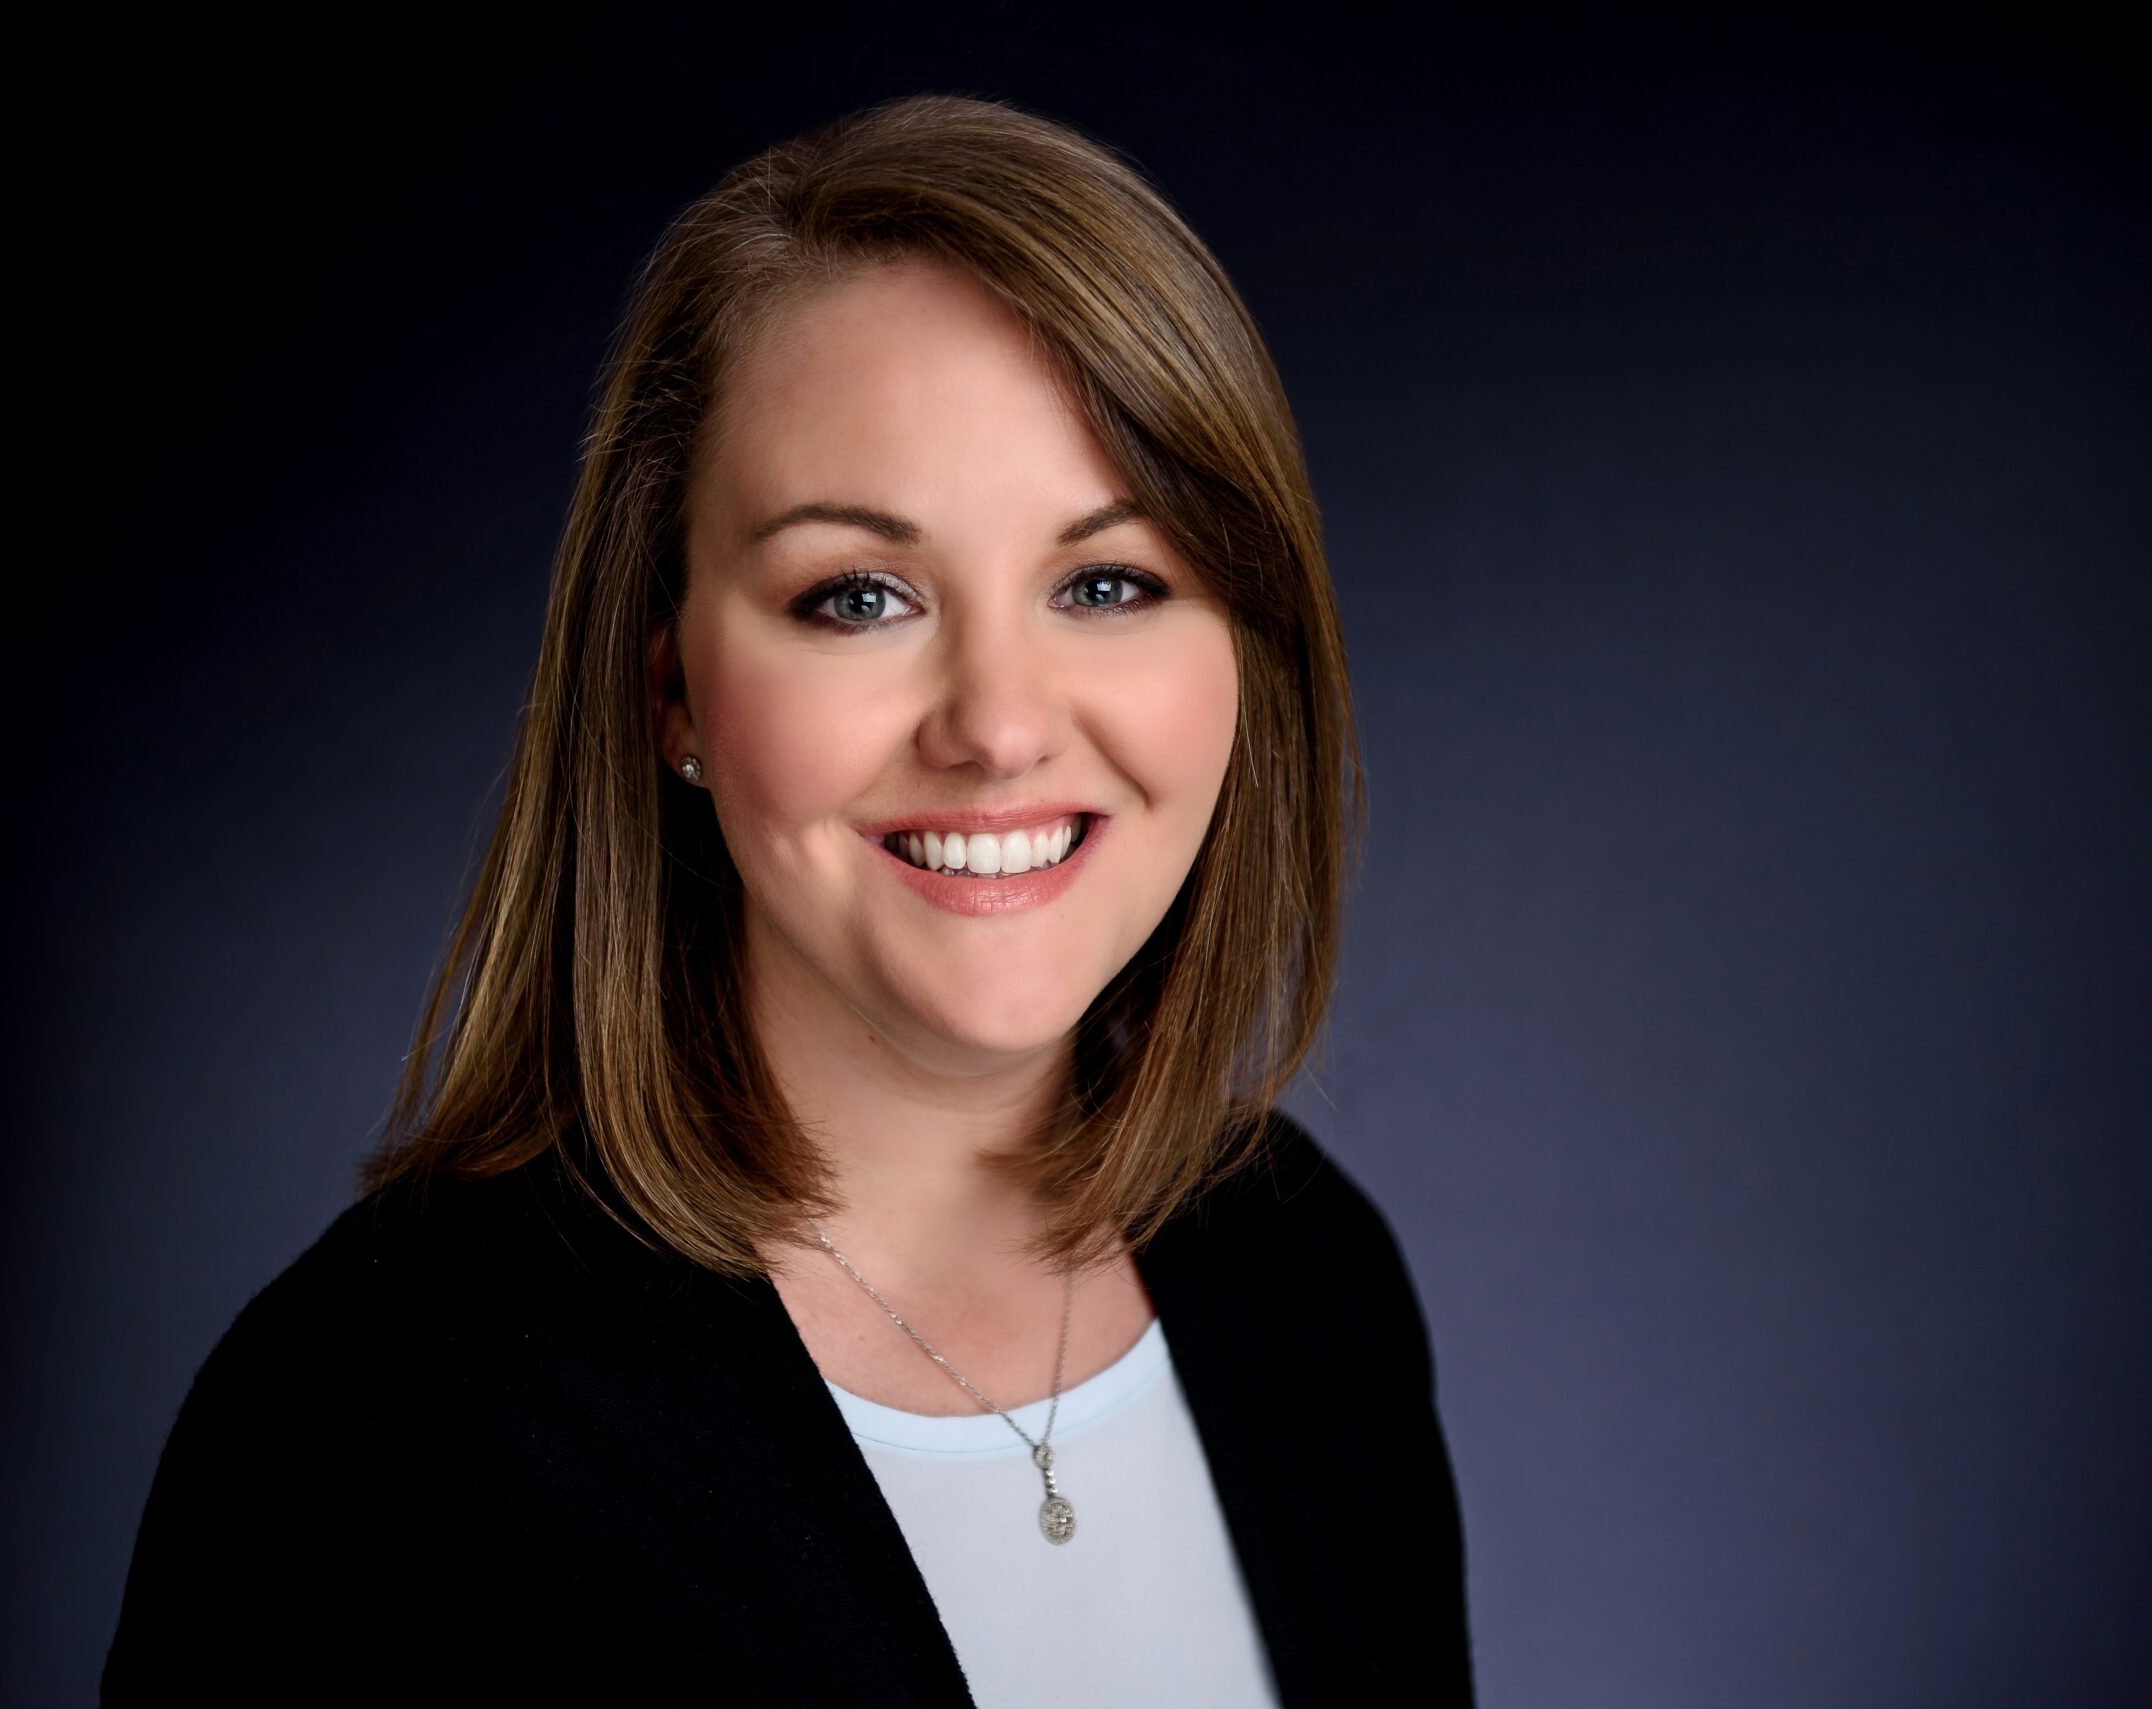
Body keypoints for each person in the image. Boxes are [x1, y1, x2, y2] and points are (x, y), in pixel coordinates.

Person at [104, 92, 1473, 1706]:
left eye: (1108, 581)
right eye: (860, 595)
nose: (1001, 724)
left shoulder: (1311, 1280)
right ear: (672, 688)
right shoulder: (367, 1431)